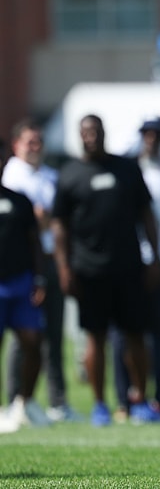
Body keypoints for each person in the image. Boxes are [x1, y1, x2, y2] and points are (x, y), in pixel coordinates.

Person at [52, 114, 160, 427]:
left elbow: (147, 214)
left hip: (128, 266)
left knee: (135, 336)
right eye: (85, 132)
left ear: (103, 133)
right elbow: (59, 226)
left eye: (96, 131)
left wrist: (155, 258)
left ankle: (140, 400)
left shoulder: (126, 168)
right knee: (95, 337)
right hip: (88, 270)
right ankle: (100, 404)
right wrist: (64, 266)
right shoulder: (69, 174)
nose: (91, 137)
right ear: (79, 136)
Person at [1, 119, 81, 423]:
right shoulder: (11, 176)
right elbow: (33, 221)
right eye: (29, 142)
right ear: (16, 145)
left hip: (52, 258)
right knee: (22, 337)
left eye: (39, 141)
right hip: (20, 265)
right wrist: (45, 219)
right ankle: (16, 399)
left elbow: (59, 218)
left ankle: (56, 401)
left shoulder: (50, 176)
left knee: (52, 334)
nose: (35, 147)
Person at [111, 116, 160, 420]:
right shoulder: (127, 174)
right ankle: (126, 399)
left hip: (157, 263)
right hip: (127, 264)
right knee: (125, 335)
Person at [0, 137, 51, 432]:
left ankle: (25, 402)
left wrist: (39, 277)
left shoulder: (19, 200)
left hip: (20, 283)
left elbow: (35, 243)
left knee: (33, 342)